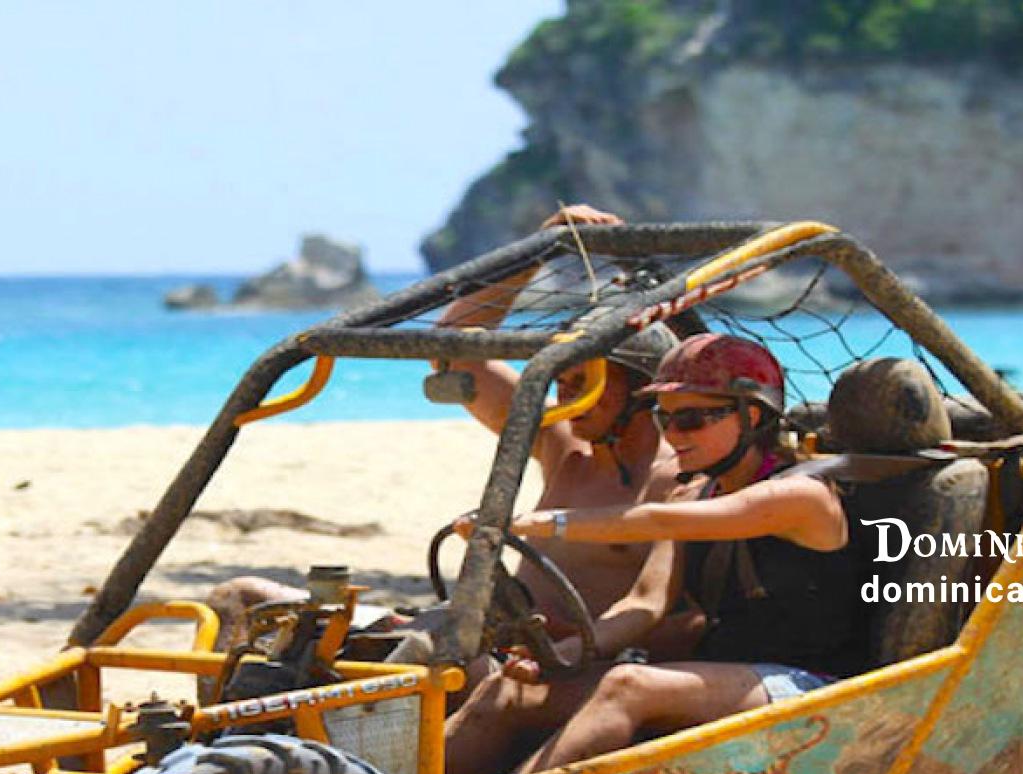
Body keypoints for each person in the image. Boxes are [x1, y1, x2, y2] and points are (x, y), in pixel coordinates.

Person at [206, 204, 682, 674]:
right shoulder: (565, 448)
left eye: (585, 382)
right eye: (562, 379)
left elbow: (672, 614)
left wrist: (574, 645)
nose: (566, 395)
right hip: (476, 630)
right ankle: (224, 721)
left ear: (642, 390)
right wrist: (537, 256)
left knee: (419, 656)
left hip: (540, 662)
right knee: (239, 599)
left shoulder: (674, 481)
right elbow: (454, 349)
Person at [446, 338, 939, 774]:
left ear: (751, 416)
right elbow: (645, 603)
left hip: (815, 687)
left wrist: (528, 524)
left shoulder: (802, 497)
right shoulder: (693, 491)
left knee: (628, 686)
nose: (674, 435)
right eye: (665, 419)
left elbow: (657, 520)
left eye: (692, 420)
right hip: (723, 675)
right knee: (506, 692)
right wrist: (565, 652)